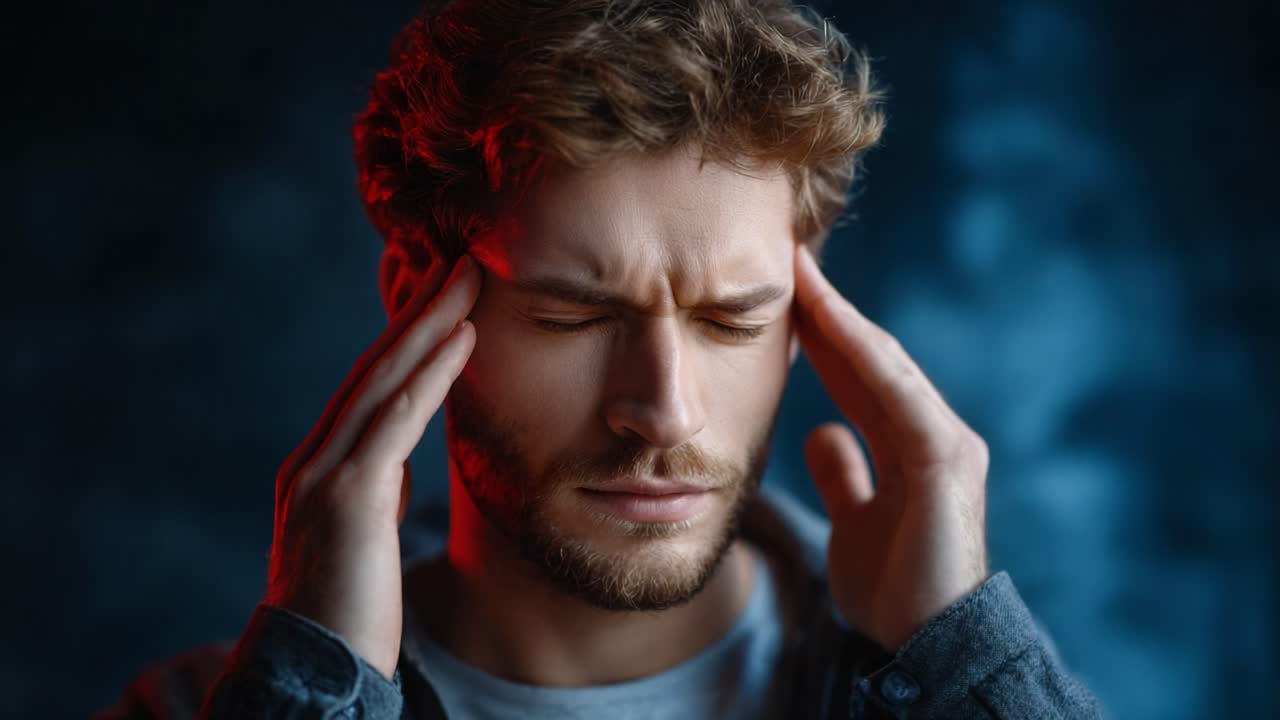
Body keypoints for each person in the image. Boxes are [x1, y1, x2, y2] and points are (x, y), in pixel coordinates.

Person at [100, 0, 1102, 717]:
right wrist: (316, 686)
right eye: (572, 317)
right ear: (412, 298)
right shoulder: (201, 706)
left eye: (732, 321)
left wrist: (963, 666)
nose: (664, 411)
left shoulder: (965, 682)